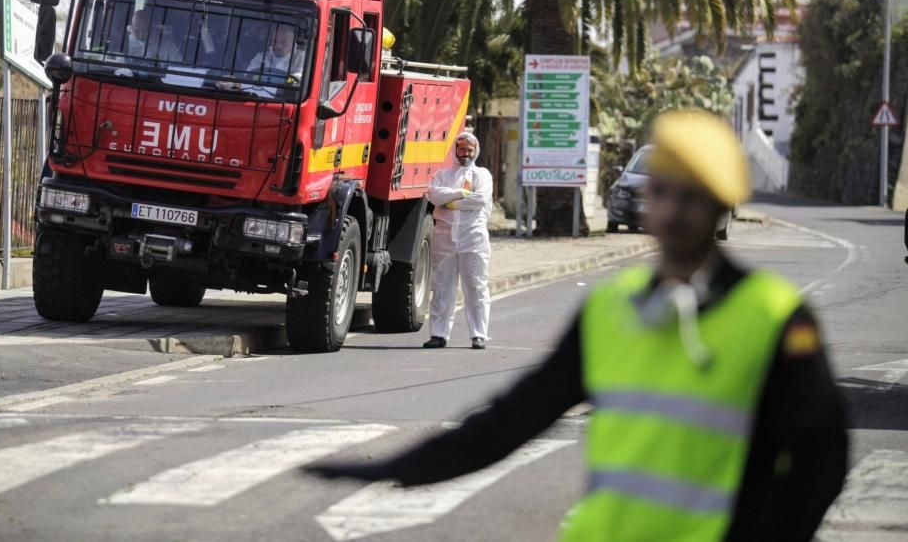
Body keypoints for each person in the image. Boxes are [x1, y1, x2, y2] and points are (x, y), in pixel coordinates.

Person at [306, 110, 848, 541]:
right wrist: (398, 470)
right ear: (647, 203)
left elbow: (821, 459)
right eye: (662, 192)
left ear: (720, 204)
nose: (675, 209)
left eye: (693, 195)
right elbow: (513, 420)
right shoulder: (612, 309)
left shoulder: (775, 317)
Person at [423, 131, 493, 350]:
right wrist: (462, 193)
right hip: (444, 237)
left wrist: (450, 201)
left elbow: (480, 199)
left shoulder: (483, 175)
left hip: (473, 237)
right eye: (462, 149)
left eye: (469, 150)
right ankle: (438, 334)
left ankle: (479, 334)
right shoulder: (443, 174)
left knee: (476, 286)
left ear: (476, 151)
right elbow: (434, 195)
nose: (465, 154)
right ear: (456, 150)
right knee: (442, 287)